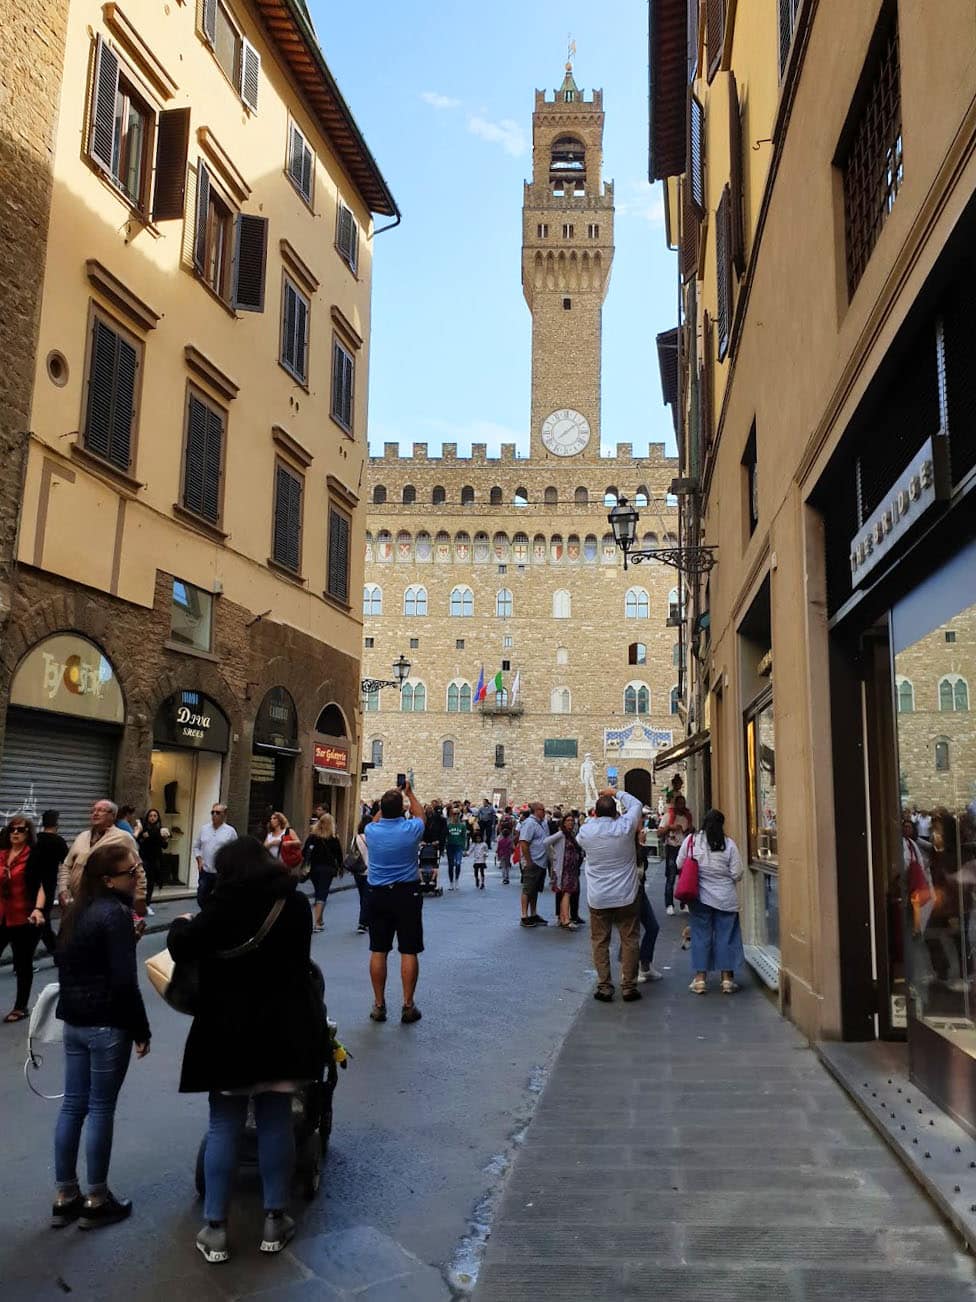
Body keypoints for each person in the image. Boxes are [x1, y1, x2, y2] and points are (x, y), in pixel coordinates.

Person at [167, 836, 326, 1264]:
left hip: (227, 1032)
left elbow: (181, 946)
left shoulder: (221, 908)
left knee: (224, 1126)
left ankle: (216, 1227)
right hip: (283, 1031)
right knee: (275, 1120)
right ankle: (275, 1219)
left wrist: (182, 923)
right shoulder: (292, 905)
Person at [52, 842, 151, 1229]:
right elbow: (124, 982)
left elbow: (71, 962)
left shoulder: (77, 912)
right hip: (107, 1024)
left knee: (73, 1106)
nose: (137, 876)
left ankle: (65, 1193)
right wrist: (141, 1029)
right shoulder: (115, 915)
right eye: (132, 872)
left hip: (74, 1021)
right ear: (109, 880)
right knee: (100, 1109)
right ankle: (96, 1196)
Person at [363, 782, 426, 1024]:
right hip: (406, 893)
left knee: (378, 949)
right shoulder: (410, 829)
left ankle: (379, 1005)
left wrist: (392, 798)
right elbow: (420, 814)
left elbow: (377, 819)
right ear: (402, 810)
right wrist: (408, 793)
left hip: (378, 893)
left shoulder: (372, 831)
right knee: (409, 949)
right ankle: (408, 1005)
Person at [577, 788, 645, 1002]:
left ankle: (605, 986)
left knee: (600, 941)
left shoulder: (586, 832)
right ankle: (629, 986)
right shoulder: (624, 827)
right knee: (630, 939)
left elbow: (581, 838)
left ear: (595, 813)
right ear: (616, 812)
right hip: (626, 894)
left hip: (598, 896)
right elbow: (637, 805)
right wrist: (616, 792)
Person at [677, 808, 744, 994]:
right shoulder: (729, 844)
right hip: (725, 898)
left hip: (700, 898)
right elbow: (737, 873)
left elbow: (679, 863)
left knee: (700, 936)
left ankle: (700, 979)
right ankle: (727, 979)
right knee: (726, 937)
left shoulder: (692, 841)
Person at [59, 801, 146, 917]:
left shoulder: (123, 838)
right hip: (75, 903)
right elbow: (67, 865)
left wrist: (140, 898)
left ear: (112, 815)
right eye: (93, 810)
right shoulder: (82, 836)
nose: (95, 813)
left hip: (105, 906)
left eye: (101, 810)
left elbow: (138, 869)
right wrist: (63, 889)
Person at [1, 816, 40, 1022]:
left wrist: (39, 909)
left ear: (28, 833)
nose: (15, 833)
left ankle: (21, 1006)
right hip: (1, 914)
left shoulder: (32, 856)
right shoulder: (1, 855)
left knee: (23, 963)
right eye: (12, 829)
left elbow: (43, 884)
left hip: (23, 916)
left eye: (21, 829)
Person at [27, 808, 67, 956]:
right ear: (56, 824)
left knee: (41, 919)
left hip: (30, 885)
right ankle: (55, 952)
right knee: (42, 920)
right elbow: (67, 863)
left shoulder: (34, 840)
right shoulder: (58, 841)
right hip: (47, 886)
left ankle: (55, 951)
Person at [302, 813, 343, 932]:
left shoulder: (312, 837)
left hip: (314, 869)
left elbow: (304, 852)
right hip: (327, 869)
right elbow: (339, 855)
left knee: (318, 892)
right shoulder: (333, 839)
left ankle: (319, 919)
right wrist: (340, 868)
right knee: (322, 894)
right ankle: (317, 923)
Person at [193, 804, 237, 907]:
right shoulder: (204, 829)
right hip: (206, 870)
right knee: (201, 897)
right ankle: (206, 914)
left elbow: (235, 851)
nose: (214, 815)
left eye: (217, 813)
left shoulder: (230, 831)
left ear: (224, 815)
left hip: (221, 872)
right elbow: (196, 846)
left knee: (219, 898)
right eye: (212, 812)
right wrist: (199, 860)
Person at [545, 813, 584, 929]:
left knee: (566, 893)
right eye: (568, 820)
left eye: (572, 821)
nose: (570, 823)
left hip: (571, 869)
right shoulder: (561, 834)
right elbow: (546, 842)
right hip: (564, 869)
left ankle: (563, 917)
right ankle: (566, 919)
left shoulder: (570, 835)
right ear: (564, 822)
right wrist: (553, 856)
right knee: (566, 892)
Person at [659, 793, 693, 915]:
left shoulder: (687, 817)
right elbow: (659, 832)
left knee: (684, 878)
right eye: (680, 803)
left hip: (684, 849)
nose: (682, 806)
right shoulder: (668, 816)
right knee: (671, 878)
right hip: (672, 849)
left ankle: (683, 904)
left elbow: (688, 831)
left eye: (683, 803)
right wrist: (669, 827)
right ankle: (669, 904)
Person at [518, 803, 550, 928]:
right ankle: (524, 915)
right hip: (533, 861)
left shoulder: (541, 823)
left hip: (540, 861)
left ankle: (533, 913)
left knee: (534, 889)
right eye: (542, 810)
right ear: (536, 811)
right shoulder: (530, 823)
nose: (544, 812)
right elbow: (524, 843)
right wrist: (528, 861)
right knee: (528, 888)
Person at [136, 809, 169, 916]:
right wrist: (143, 838)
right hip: (144, 859)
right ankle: (138, 905)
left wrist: (165, 839)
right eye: (150, 815)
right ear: (147, 817)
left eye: (155, 815)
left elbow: (164, 846)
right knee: (142, 882)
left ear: (158, 817)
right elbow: (138, 841)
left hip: (155, 860)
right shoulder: (143, 829)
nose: (153, 817)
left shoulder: (161, 830)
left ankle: (147, 905)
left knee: (150, 883)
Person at [352, 813, 372, 933]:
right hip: (370, 870)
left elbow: (352, 850)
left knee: (362, 896)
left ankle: (365, 920)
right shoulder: (373, 837)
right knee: (367, 897)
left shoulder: (356, 837)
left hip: (358, 869)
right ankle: (363, 922)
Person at [445, 806, 468, 889]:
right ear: (451, 815)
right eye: (454, 814)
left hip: (459, 846)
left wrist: (465, 849)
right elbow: (446, 836)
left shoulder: (462, 826)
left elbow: (464, 837)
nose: (456, 815)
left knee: (458, 863)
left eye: (458, 814)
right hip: (450, 846)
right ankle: (451, 882)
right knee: (451, 865)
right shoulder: (448, 825)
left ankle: (457, 880)